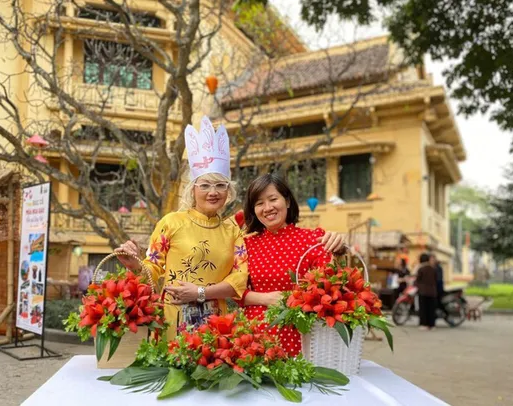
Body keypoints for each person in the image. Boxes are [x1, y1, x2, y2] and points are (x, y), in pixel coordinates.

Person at [115, 116, 248, 340]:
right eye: (205, 185)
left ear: (228, 191)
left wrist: (200, 293)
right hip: (170, 322)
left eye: (220, 185)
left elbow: (240, 279)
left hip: (216, 327)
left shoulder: (234, 231)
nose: (212, 192)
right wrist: (135, 265)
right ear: (193, 190)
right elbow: (152, 271)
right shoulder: (171, 222)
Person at [239, 174, 346, 356]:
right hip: (254, 339)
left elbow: (330, 286)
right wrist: (264, 299)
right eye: (259, 203)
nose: (267, 208)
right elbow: (234, 292)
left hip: (301, 336)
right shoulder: (244, 245)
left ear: (287, 201)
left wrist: (338, 250)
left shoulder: (313, 240)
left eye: (273, 199)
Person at [415, 252, 437, 330]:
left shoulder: (421, 269)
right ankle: (432, 325)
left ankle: (424, 324)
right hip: (432, 292)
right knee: (431, 309)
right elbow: (436, 280)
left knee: (423, 309)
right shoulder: (433, 269)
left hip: (423, 291)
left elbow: (417, 280)